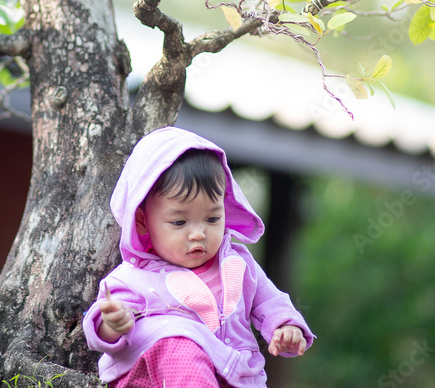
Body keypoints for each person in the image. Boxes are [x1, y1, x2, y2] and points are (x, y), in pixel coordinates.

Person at [83, 126, 314, 388]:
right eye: (180, 222)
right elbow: (101, 332)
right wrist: (114, 324)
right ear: (142, 221)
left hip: (237, 375)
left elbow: (271, 302)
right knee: (179, 340)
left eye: (212, 218)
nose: (198, 234)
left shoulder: (238, 262)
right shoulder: (134, 276)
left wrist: (286, 326)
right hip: (160, 374)